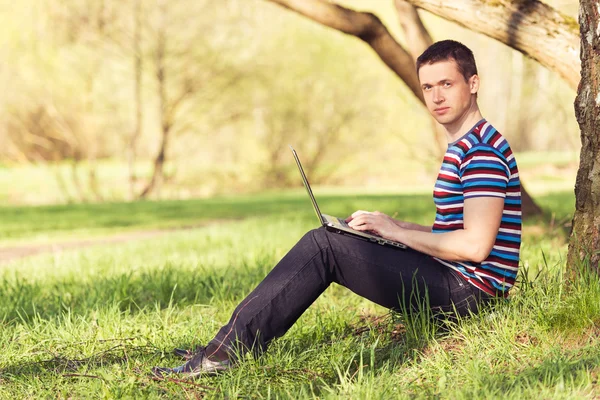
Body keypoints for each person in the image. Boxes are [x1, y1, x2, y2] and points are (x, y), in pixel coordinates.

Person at [152, 40, 522, 378]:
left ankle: (223, 353)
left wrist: (396, 234)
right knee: (333, 237)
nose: (437, 96)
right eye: (428, 87)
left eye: (447, 84)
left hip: (470, 294)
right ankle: (229, 343)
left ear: (472, 83)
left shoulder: (481, 153)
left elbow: (475, 247)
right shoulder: (467, 145)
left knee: (324, 245)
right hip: (457, 281)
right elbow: (455, 230)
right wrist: (392, 224)